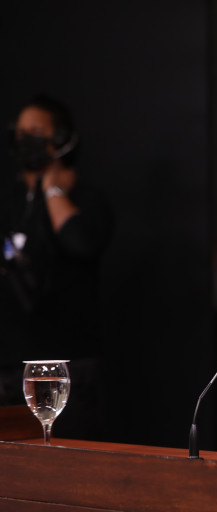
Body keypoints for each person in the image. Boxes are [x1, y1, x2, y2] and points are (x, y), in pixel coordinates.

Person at [0, 94, 113, 439]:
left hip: (70, 371)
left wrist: (52, 190)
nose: (26, 140)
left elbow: (80, 243)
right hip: (10, 369)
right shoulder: (9, 202)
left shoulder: (85, 197)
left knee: (69, 462)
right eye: (21, 133)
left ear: (60, 139)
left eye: (35, 132)